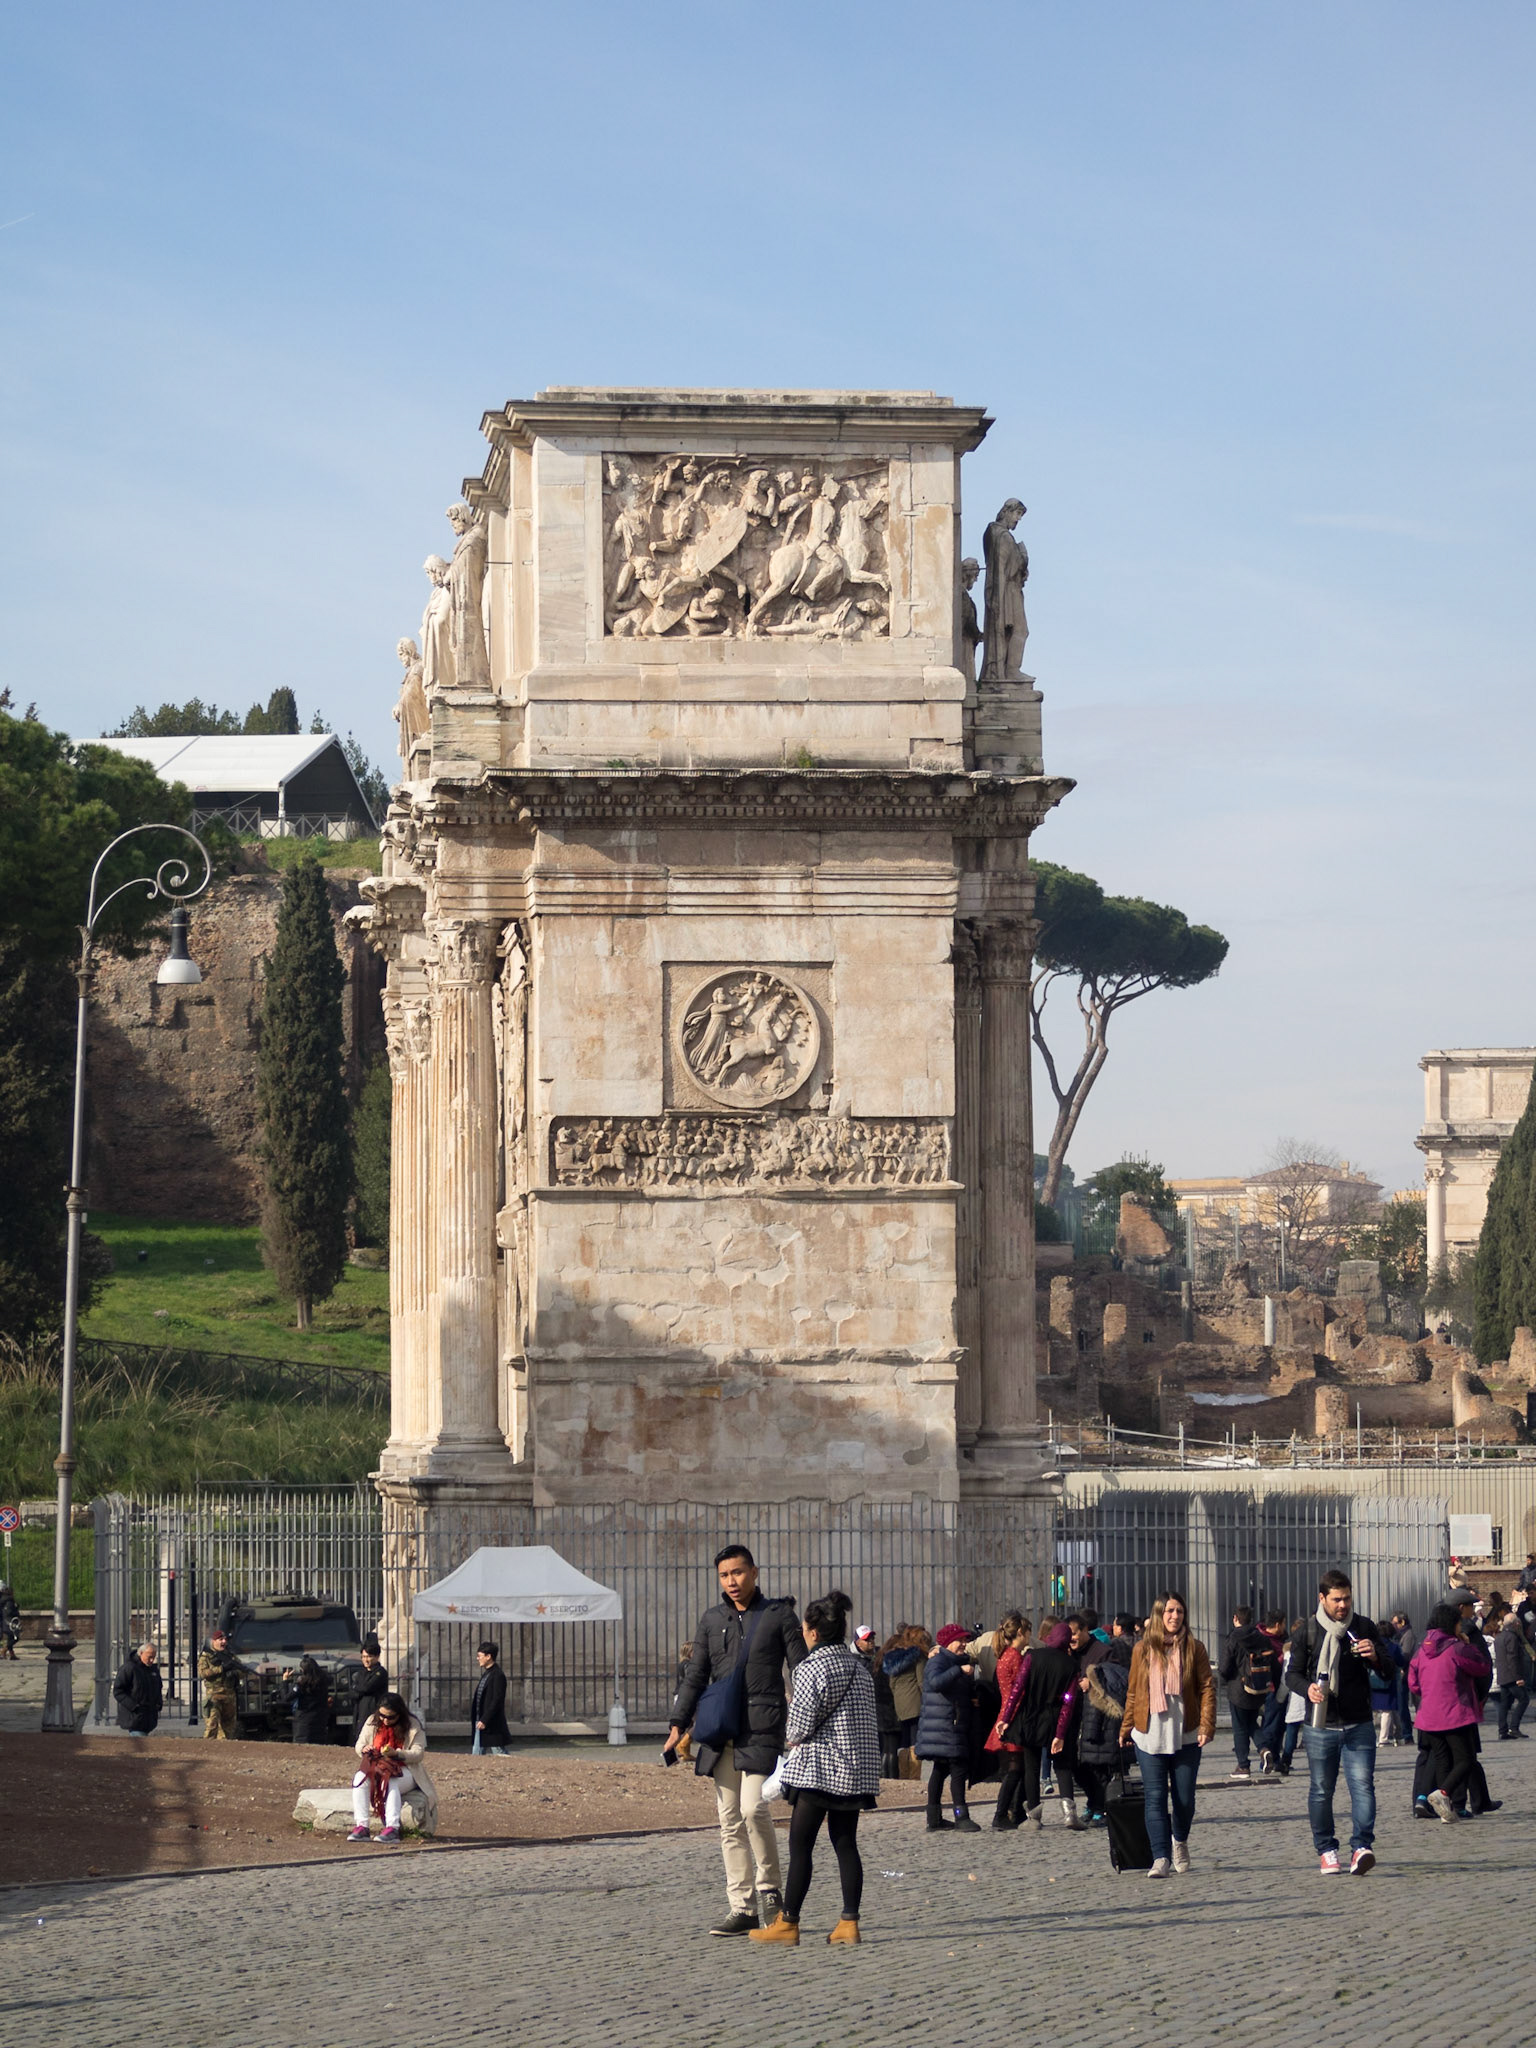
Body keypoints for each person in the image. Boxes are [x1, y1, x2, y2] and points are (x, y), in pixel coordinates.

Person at [665, 1543, 807, 1936]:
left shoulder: (779, 1615)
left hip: (763, 1726)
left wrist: (802, 1724)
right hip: (720, 1729)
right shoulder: (711, 1620)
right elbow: (695, 1675)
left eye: (739, 1573)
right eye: (725, 1575)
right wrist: (678, 1723)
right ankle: (741, 1907)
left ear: (755, 1572)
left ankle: (769, 1890)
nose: (732, 1581)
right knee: (728, 1821)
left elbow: (800, 1668)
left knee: (753, 1808)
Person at [750, 1590, 879, 1948]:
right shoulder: (860, 1668)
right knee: (846, 1844)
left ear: (811, 1631)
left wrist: (793, 1735)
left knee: (800, 1845)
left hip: (819, 1771)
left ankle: (788, 1922)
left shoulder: (810, 1668)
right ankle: (849, 1922)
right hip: (855, 1773)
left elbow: (797, 1728)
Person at [1289, 1569, 1388, 1875]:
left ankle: (1361, 1847)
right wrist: (1308, 1688)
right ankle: (1327, 1849)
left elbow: (1390, 1669)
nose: (1343, 1605)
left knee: (1363, 1787)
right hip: (1321, 1726)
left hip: (1358, 1723)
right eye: (1336, 1600)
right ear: (1322, 1599)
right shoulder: (1307, 1631)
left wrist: (1374, 1656)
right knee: (1321, 1789)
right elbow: (1292, 1674)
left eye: (1347, 1598)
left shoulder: (1363, 1627)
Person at [1120, 1591, 1216, 1879]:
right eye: (1170, 1611)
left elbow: (1207, 1687)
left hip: (1185, 1734)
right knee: (1155, 1798)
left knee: (1184, 1799)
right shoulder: (1142, 1649)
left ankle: (1180, 1840)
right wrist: (1126, 1727)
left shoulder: (1194, 1648)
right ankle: (1160, 1856)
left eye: (1180, 1612)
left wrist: (1207, 1725)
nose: (1175, 1617)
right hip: (1149, 1734)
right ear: (1159, 1614)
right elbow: (1134, 1691)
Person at [1409, 1603, 1489, 1821]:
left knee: (1443, 1760)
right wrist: (1468, 1643)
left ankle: (1447, 1810)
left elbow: (1413, 1683)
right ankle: (1443, 1793)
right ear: (1453, 1624)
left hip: (1429, 1715)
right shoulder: (1457, 1647)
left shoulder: (1422, 1649)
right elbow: (1482, 1667)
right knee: (1465, 1759)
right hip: (1455, 1712)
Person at [1001, 1619, 1079, 1831]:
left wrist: (1006, 1718)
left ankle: (1034, 1816)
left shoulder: (1032, 1656)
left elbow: (1018, 1689)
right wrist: (1061, 1733)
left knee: (1032, 1767)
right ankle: (1069, 1813)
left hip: (1031, 1716)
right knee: (1062, 1766)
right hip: (1054, 1718)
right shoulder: (1071, 1665)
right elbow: (1068, 1701)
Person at [349, 1691, 436, 1844]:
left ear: (399, 1714)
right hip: (377, 1767)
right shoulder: (372, 1721)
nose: (385, 1720)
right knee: (359, 1778)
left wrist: (397, 1754)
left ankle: (392, 1828)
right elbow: (359, 1744)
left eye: (390, 1717)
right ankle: (362, 1826)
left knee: (390, 1781)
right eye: (382, 1716)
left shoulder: (412, 1725)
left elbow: (418, 1753)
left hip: (406, 1770)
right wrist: (364, 1749)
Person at [917, 1624, 980, 1832]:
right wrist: (958, 1670)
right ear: (947, 1643)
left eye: (965, 1640)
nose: (964, 1644)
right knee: (958, 1770)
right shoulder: (939, 1661)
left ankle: (933, 1819)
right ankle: (961, 1817)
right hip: (946, 1726)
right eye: (959, 1640)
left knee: (940, 1770)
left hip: (950, 1725)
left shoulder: (955, 1660)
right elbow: (935, 1683)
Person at [1076, 1618, 1135, 1822]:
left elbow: (1113, 1684)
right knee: (1091, 1769)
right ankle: (1095, 1805)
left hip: (1102, 1725)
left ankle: (1101, 1807)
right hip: (1094, 1724)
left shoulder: (1101, 1660)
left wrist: (1091, 1683)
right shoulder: (1082, 1654)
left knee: (1100, 1769)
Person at [1219, 1604, 1278, 1783]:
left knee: (1239, 1728)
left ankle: (1243, 1765)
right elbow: (1274, 1662)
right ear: (1250, 1619)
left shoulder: (1233, 1638)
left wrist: (1224, 1681)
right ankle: (1264, 1749)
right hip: (1258, 1688)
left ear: (1235, 1619)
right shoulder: (1260, 1637)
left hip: (1238, 1689)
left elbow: (1224, 1666)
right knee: (1252, 1723)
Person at [985, 1614, 1033, 1828]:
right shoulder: (1015, 1656)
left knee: (1017, 1768)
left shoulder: (1004, 1655)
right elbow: (1020, 1690)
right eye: (1028, 1631)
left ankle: (1014, 1811)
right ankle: (1001, 1813)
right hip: (1013, 1718)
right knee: (1015, 1769)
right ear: (1021, 1633)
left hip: (1006, 1714)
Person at [880, 1624, 931, 1774]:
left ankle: (904, 1774)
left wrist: (899, 1696)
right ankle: (914, 1775)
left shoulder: (895, 1657)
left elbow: (892, 1683)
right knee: (915, 1740)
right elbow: (922, 1681)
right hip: (915, 1701)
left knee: (904, 1741)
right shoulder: (918, 1656)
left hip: (900, 1703)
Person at [853, 1627, 901, 1778]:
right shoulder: (854, 1660)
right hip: (867, 1708)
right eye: (867, 1639)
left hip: (886, 1705)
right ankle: (879, 1776)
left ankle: (888, 1777)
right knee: (876, 1746)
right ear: (858, 1642)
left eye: (872, 1638)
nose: (871, 1642)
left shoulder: (881, 1655)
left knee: (889, 1746)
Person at [198, 1625, 247, 1741]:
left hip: (229, 1695)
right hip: (214, 1695)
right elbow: (202, 1673)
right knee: (212, 1725)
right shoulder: (207, 1656)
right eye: (220, 1639)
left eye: (225, 1639)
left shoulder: (230, 1656)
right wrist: (221, 1669)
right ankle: (207, 1748)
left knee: (229, 1727)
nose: (223, 1642)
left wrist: (235, 1673)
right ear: (214, 1641)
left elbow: (242, 1670)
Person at [1494, 1606, 1532, 1739]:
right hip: (1512, 1676)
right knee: (1524, 1699)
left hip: (1503, 1675)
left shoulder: (1499, 1637)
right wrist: (1518, 1677)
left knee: (1505, 1703)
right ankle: (1514, 1727)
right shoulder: (1512, 1637)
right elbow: (1513, 1658)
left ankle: (1502, 1730)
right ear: (1516, 1624)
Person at [471, 1640, 513, 1755]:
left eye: (479, 1656)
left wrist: (485, 1719)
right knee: (477, 1754)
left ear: (488, 1656)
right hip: (481, 1722)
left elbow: (497, 1700)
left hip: (491, 1724)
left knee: (500, 1753)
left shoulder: (497, 1675)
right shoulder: (487, 1673)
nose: (477, 1658)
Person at [113, 1642, 162, 1736]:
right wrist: (134, 1706)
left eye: (154, 1657)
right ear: (141, 1654)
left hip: (149, 1717)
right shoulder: (129, 1668)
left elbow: (158, 1687)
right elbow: (118, 1691)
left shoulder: (153, 1670)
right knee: (141, 1744)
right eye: (149, 1657)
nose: (151, 1660)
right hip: (135, 1717)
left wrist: (158, 1704)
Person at [286, 1655, 330, 1744]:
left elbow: (287, 1697)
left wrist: (285, 1681)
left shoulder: (302, 1684)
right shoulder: (324, 1681)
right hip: (320, 1722)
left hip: (304, 1725)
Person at [355, 1634, 388, 1727]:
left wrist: (358, 1689)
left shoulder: (381, 1672)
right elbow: (353, 1691)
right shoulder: (361, 1673)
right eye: (363, 1657)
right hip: (360, 1712)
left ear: (377, 1657)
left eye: (369, 1656)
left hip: (373, 1711)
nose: (366, 1660)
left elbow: (367, 1687)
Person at [0, 1580, 19, 1659]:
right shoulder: (9, 1600)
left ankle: (11, 1654)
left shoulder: (3, 1599)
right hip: (9, 1622)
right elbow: (9, 1611)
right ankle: (4, 1651)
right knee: (15, 1637)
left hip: (4, 1621)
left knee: (10, 1637)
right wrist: (15, 1610)